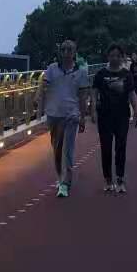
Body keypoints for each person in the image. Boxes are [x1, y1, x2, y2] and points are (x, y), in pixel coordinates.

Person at [41, 40, 92, 198]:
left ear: (74, 52)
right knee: (56, 149)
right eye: (63, 49)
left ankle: (65, 183)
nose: (66, 53)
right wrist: (39, 102)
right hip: (54, 114)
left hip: (71, 115)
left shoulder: (80, 72)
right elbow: (43, 86)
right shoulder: (52, 69)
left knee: (67, 150)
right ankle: (60, 177)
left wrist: (82, 116)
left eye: (70, 50)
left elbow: (83, 96)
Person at [92, 44, 137, 194]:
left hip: (122, 115)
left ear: (122, 58)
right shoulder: (100, 74)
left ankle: (120, 178)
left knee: (121, 146)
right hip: (104, 115)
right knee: (106, 147)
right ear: (108, 57)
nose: (115, 58)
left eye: (118, 56)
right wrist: (93, 110)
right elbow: (94, 93)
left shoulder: (127, 75)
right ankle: (108, 179)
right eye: (112, 55)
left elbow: (132, 95)